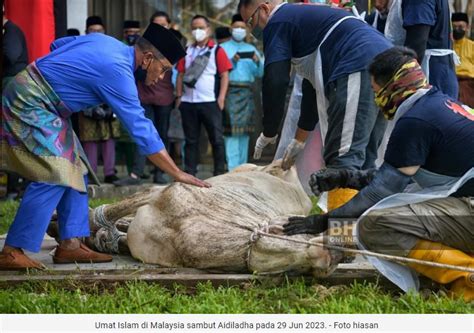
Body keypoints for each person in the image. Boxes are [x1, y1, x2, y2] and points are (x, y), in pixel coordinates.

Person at [0, 23, 210, 270]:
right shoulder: (118, 72)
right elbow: (141, 129)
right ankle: (11, 251)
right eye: (163, 69)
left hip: (43, 100)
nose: (161, 77)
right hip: (30, 101)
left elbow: (58, 45)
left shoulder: (109, 43)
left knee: (76, 165)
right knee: (55, 172)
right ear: (148, 58)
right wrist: (176, 172)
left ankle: (70, 245)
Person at [284, 47, 474, 301]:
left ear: (393, 87)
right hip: (465, 205)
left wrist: (321, 222)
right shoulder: (438, 103)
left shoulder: (416, 121)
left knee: (372, 225)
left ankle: (465, 276)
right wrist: (344, 178)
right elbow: (395, 176)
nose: (375, 100)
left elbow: (382, 190)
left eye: (375, 92)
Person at [239, 0, 392, 208]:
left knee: (344, 157)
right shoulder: (304, 21)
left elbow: (276, 80)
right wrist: (299, 141)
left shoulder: (278, 22)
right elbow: (311, 90)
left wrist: (269, 131)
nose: (251, 29)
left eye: (250, 21)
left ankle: (340, 234)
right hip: (387, 64)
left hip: (360, 63)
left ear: (265, 9)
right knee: (366, 156)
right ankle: (363, 227)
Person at [115, 11, 176, 186]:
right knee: (142, 132)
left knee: (162, 134)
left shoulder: (174, 46)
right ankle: (136, 173)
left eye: (164, 24)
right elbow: (136, 70)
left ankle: (161, 174)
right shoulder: (141, 48)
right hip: (144, 95)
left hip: (164, 97)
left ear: (170, 25)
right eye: (157, 24)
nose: (161, 28)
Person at [176, 15, 232, 176]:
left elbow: (225, 75)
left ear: (208, 29)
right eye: (194, 28)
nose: (197, 31)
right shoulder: (186, 50)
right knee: (191, 140)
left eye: (201, 27)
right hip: (188, 102)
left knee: (216, 139)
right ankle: (190, 173)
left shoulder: (217, 50)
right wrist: (179, 97)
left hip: (210, 102)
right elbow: (180, 74)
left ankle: (219, 173)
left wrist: (221, 98)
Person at [78, 16, 120, 184]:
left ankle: (110, 172)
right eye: (92, 31)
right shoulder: (80, 50)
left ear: (105, 32)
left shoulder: (112, 49)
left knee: (109, 137)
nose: (96, 34)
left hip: (109, 99)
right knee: (90, 139)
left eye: (99, 31)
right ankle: (91, 173)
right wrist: (88, 108)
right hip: (86, 101)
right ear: (86, 32)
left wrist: (113, 106)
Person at [220, 14, 263, 170]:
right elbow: (218, 71)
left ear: (247, 29)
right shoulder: (223, 49)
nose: (239, 30)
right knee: (231, 132)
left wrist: (258, 62)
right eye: (236, 27)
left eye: (242, 27)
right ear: (231, 28)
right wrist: (232, 61)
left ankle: (242, 168)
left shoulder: (251, 49)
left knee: (245, 132)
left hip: (247, 92)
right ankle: (232, 168)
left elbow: (260, 73)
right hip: (230, 91)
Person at [401, 0, 458, 99]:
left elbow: (417, 42)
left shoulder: (419, 2)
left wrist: (404, 81)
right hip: (441, 71)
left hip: (428, 72)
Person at [452, 12, 474, 107]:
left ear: (467, 27)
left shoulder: (472, 46)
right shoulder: (447, 47)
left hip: (469, 83)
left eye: (461, 26)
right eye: (454, 26)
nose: (457, 29)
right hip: (452, 80)